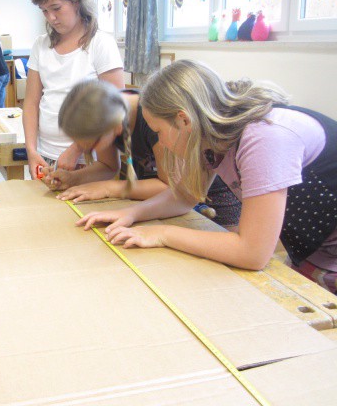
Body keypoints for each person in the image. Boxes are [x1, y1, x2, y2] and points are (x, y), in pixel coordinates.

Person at [78, 60, 337, 294]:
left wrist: (162, 233)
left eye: (159, 131)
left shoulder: (264, 138)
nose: (160, 142)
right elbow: (184, 197)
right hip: (313, 247)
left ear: (183, 120)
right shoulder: (210, 136)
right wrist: (131, 214)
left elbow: (253, 253)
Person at [45, 80, 241, 229]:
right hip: (178, 201)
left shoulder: (156, 120)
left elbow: (170, 186)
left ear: (115, 126)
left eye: (92, 144)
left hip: (216, 195)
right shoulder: (108, 112)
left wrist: (109, 188)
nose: (86, 149)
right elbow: (108, 166)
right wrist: (74, 178)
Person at [23, 0, 125, 181]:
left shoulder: (101, 43)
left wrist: (77, 148)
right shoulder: (41, 45)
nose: (51, 17)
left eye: (56, 8)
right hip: (46, 154)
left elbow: (116, 107)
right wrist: (31, 150)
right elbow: (31, 103)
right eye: (44, 11)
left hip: (89, 159)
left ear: (77, 0)